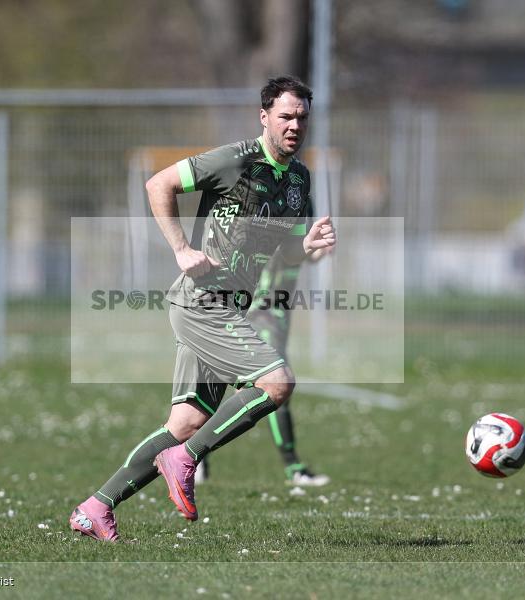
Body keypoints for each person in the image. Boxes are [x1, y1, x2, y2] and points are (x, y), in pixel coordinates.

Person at [69, 75, 336, 541]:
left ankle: (95, 508)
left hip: (229, 308)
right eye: (285, 116)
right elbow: (160, 184)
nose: (294, 125)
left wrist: (308, 246)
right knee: (276, 383)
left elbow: (286, 253)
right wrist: (180, 249)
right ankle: (188, 457)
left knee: (185, 423)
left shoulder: (299, 179)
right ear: (264, 117)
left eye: (302, 118)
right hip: (202, 302)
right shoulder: (235, 160)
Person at [195, 246, 331, 487]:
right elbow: (286, 249)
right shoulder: (277, 225)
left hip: (274, 320)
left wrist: (316, 250)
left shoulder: (290, 228)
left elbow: (296, 253)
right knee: (275, 391)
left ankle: (195, 456)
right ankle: (293, 467)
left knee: (243, 396)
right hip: (263, 320)